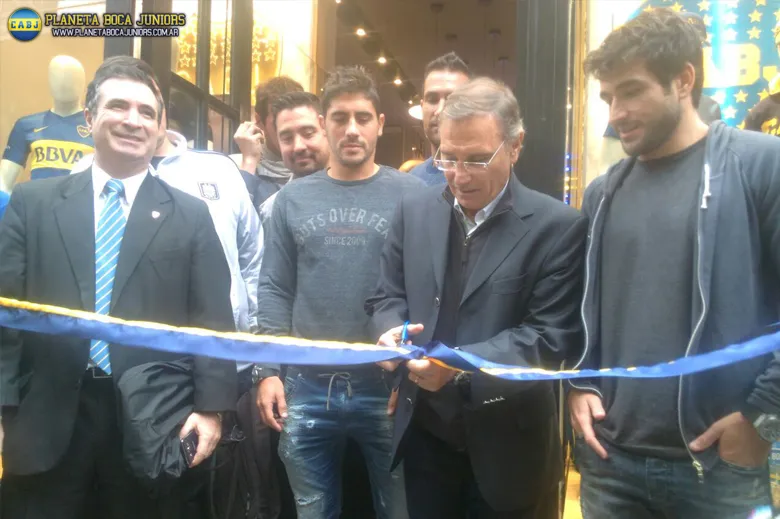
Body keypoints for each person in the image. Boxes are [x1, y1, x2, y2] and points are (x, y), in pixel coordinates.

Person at [0, 56, 237, 519]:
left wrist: (212, 410)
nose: (133, 120)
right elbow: (5, 316)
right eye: (119, 106)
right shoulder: (33, 204)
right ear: (89, 119)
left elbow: (211, 319)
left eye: (147, 112)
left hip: (153, 422)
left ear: (161, 127)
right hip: (44, 419)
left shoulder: (189, 215)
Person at [568, 8, 780, 518]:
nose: (616, 112)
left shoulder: (759, 165)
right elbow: (579, 311)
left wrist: (761, 417)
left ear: (683, 79)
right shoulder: (601, 194)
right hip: (609, 466)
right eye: (608, 97)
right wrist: (578, 385)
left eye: (632, 91)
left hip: (720, 468)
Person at [365, 77, 586, 519]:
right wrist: (390, 333)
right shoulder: (414, 211)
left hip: (510, 445)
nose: (459, 176)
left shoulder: (556, 227)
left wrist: (456, 365)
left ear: (516, 145)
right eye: (448, 158)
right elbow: (384, 297)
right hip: (425, 436)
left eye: (477, 160)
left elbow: (549, 337)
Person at [255, 65, 422, 519]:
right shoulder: (292, 200)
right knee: (313, 511)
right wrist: (268, 370)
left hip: (385, 386)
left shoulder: (413, 194)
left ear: (380, 124)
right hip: (306, 385)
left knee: (398, 510)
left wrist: (409, 375)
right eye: (340, 117)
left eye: (363, 117)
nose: (351, 129)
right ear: (326, 123)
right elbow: (273, 286)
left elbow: (426, 290)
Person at [233, 76, 305, 210]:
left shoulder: (317, 164)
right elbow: (236, 219)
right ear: (259, 120)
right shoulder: (237, 166)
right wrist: (248, 162)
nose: (288, 131)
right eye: (278, 123)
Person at [408, 52, 472, 186]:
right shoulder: (411, 182)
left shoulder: (488, 179)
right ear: (422, 106)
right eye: (432, 100)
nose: (440, 110)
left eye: (452, 99)